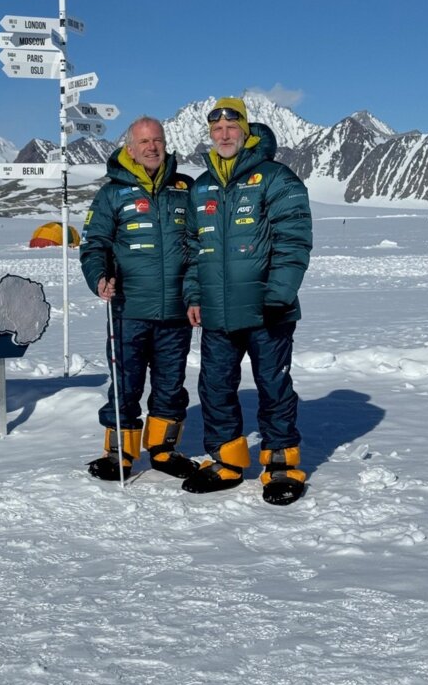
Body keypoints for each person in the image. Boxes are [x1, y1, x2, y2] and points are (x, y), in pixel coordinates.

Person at [182, 97, 312, 505]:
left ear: (246, 130)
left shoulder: (276, 178)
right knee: (215, 386)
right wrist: (193, 295)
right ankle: (228, 460)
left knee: (273, 386)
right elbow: (191, 248)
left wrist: (278, 295)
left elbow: (293, 242)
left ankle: (281, 465)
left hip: (266, 310)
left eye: (231, 127)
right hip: (217, 312)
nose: (224, 134)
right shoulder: (201, 185)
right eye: (217, 129)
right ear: (210, 134)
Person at [80, 116, 195, 480]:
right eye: (144, 142)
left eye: (157, 140)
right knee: (126, 383)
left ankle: (163, 449)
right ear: (129, 148)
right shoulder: (112, 193)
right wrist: (99, 277)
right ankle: (120, 454)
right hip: (129, 308)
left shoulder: (185, 188)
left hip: (176, 310)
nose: (152, 147)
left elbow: (198, 244)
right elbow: (94, 244)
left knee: (170, 384)